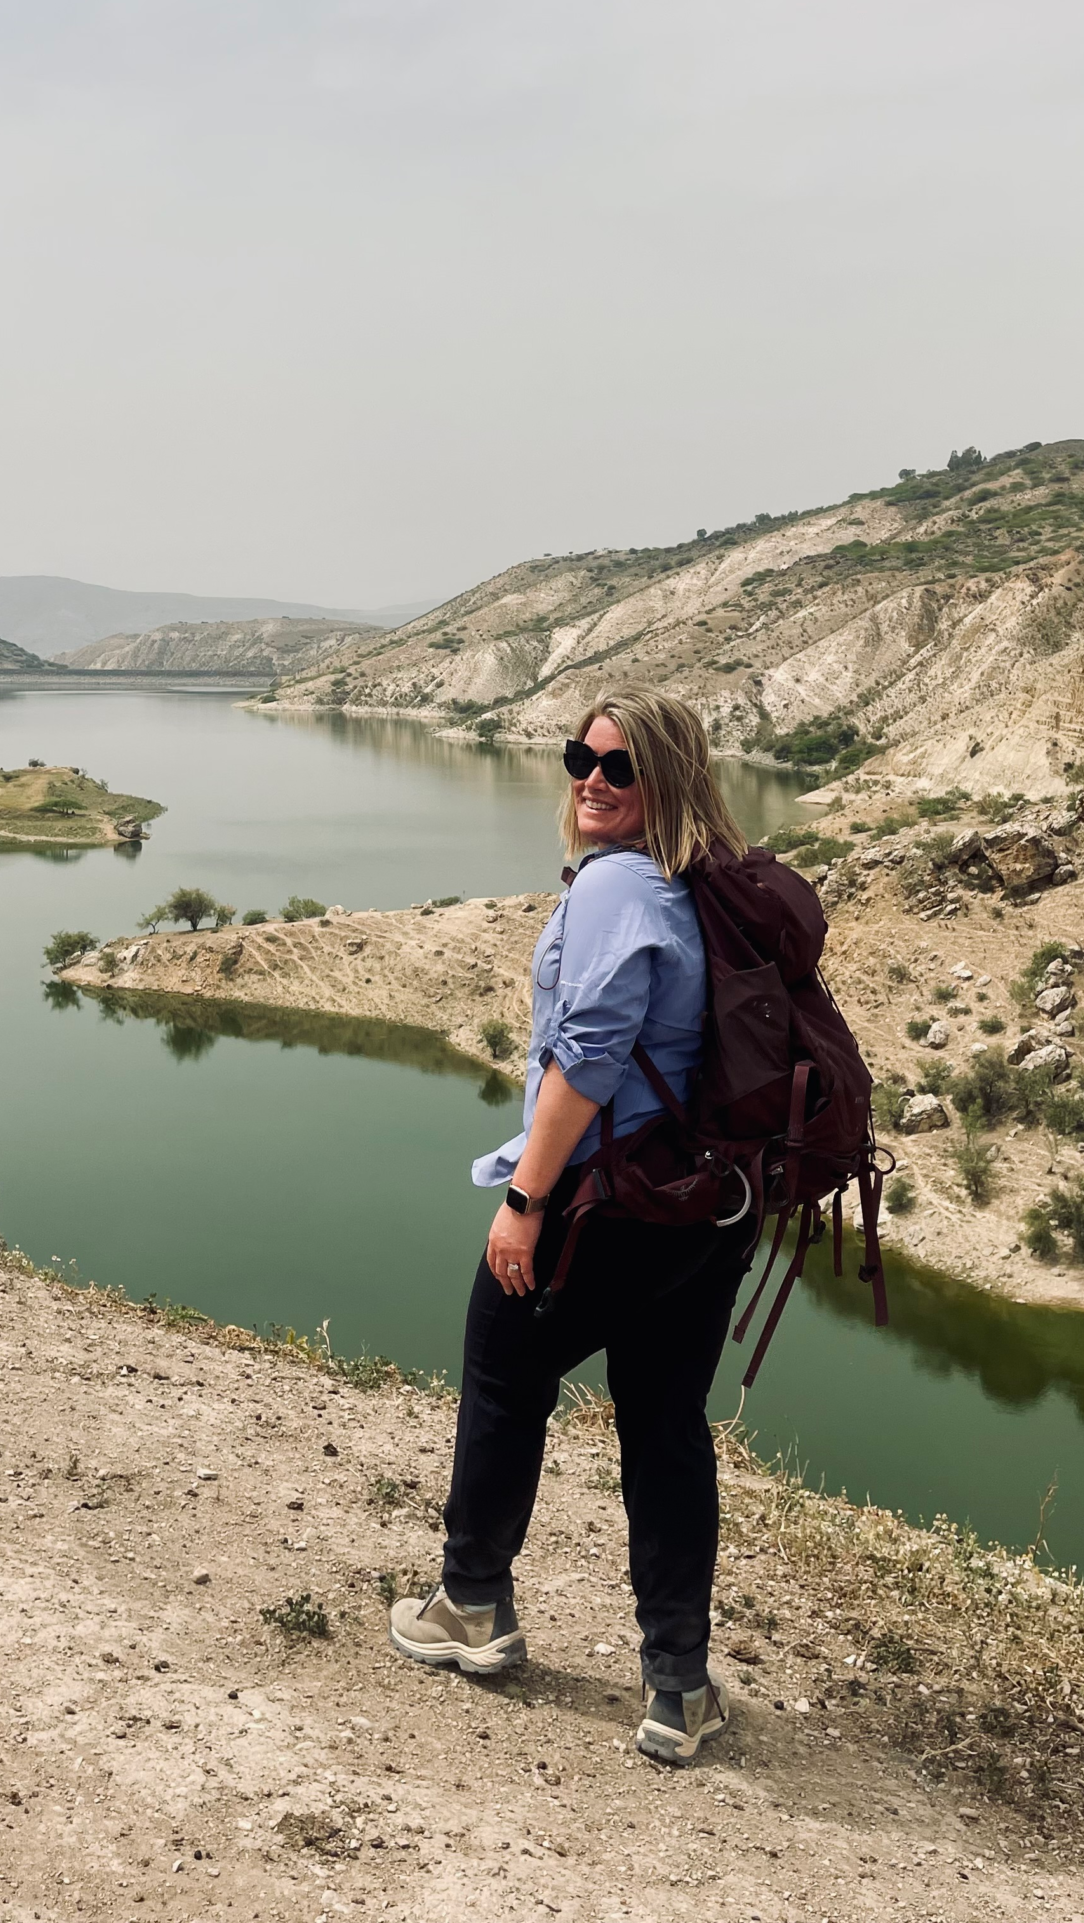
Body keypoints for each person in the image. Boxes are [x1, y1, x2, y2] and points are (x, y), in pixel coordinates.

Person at [388, 688, 751, 1765]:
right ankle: (677, 1685)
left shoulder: (618, 887)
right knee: (666, 1428)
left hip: (604, 1206)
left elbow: (587, 1059)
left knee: (503, 1381)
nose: (591, 778)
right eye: (578, 757)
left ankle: (473, 1608)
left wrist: (523, 1201)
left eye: (619, 765)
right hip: (702, 1212)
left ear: (665, 779)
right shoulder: (701, 887)